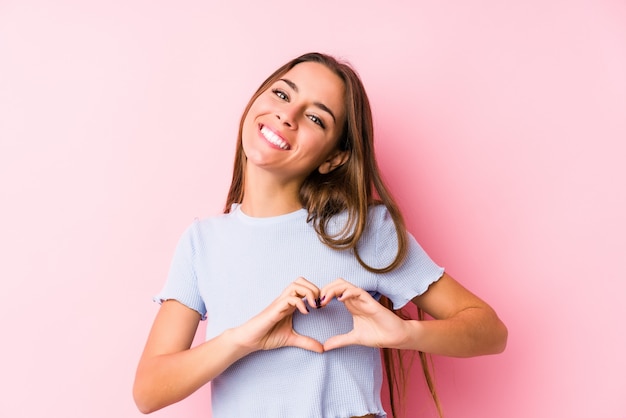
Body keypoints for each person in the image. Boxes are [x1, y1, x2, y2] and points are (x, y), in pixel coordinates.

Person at [133, 52, 508, 418]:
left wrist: (404, 334)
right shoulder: (202, 242)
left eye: (315, 118)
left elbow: (490, 331)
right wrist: (242, 338)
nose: (287, 115)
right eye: (282, 94)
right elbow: (149, 392)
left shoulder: (362, 230)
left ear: (333, 158)